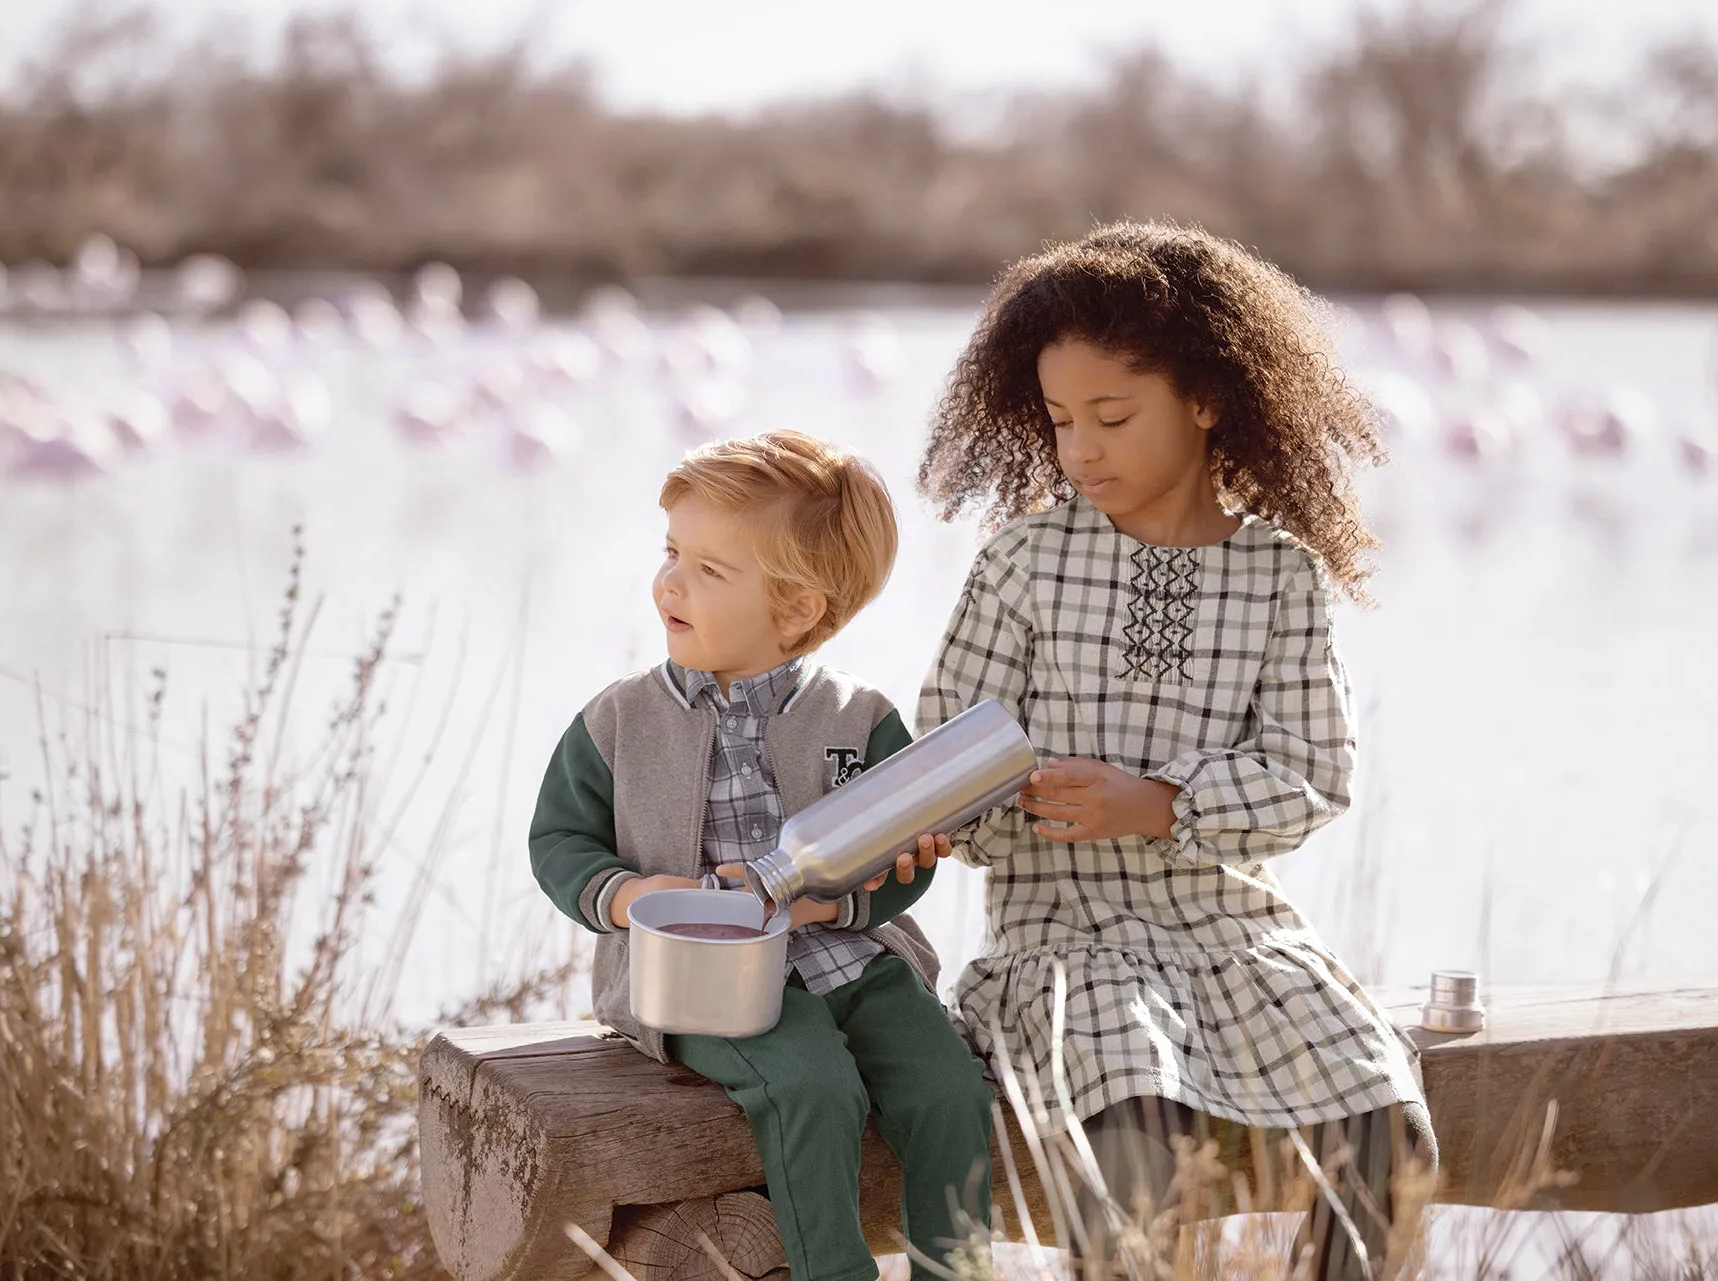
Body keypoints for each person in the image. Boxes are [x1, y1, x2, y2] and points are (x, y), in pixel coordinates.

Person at [916, 223, 1434, 1280]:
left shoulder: (1280, 578)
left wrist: (1157, 802)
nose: (1082, 449)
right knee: (1138, 1153)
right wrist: (950, 813)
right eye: (1061, 421)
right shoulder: (1023, 563)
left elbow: (1314, 774)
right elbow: (941, 760)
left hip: (1234, 940)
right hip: (1064, 943)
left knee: (1394, 1145)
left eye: (1113, 416)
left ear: (1208, 399)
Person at [530, 429, 994, 1281]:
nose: (671, 580)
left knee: (950, 1090)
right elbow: (558, 839)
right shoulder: (620, 720)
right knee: (813, 1089)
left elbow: (907, 859)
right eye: (673, 552)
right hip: (702, 976)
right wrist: (628, 895)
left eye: (710, 570)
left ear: (798, 609)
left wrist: (852, 895)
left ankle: (955, 1271)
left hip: (851, 954)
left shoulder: (862, 720)